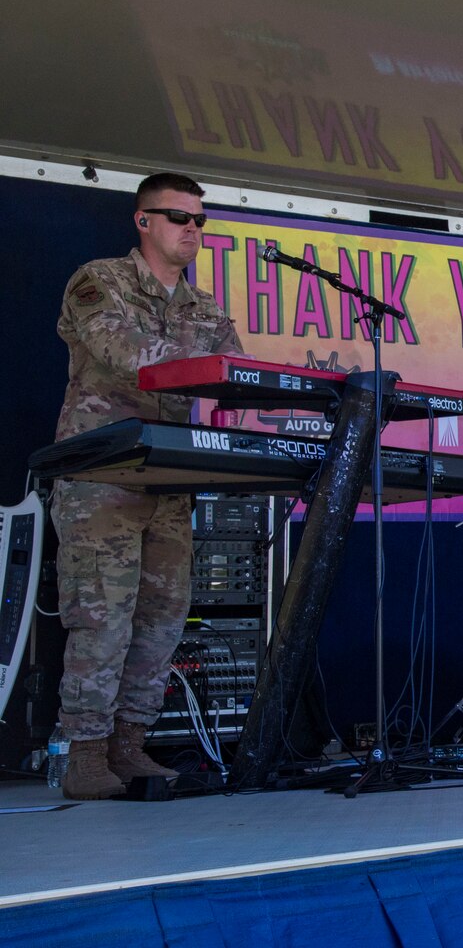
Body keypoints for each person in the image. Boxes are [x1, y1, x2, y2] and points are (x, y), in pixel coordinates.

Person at [51, 172, 244, 799]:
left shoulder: (206, 308)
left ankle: (129, 746)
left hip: (170, 482)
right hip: (101, 477)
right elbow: (122, 351)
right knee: (101, 617)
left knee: (161, 620)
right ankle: (83, 753)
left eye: (200, 221)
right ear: (143, 221)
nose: (192, 230)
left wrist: (258, 392)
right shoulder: (98, 280)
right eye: (178, 217)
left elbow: (234, 373)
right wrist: (210, 373)